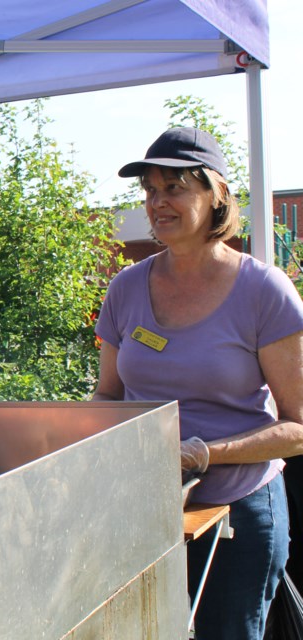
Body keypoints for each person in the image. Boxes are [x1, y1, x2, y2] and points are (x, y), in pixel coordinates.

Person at [92, 127, 303, 639]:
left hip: (239, 508)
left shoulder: (263, 290)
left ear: (216, 195)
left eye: (174, 188)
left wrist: (202, 453)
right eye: (150, 191)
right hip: (147, 503)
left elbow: (298, 428)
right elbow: (107, 395)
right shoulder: (126, 287)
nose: (157, 202)